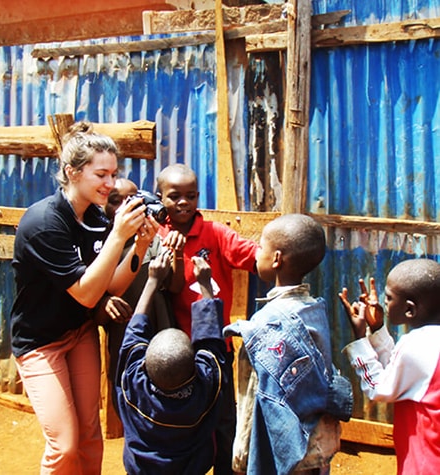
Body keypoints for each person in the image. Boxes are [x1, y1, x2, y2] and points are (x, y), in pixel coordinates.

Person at [10, 121, 159, 475]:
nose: (110, 183)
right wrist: (118, 237)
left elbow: (112, 288)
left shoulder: (94, 217)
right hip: (40, 343)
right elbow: (89, 295)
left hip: (78, 334)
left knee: (91, 433)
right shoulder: (45, 223)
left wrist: (138, 244)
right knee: (64, 444)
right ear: (71, 172)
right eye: (101, 174)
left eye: (114, 174)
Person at [223, 214, 353, 475]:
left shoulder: (266, 324)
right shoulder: (314, 309)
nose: (256, 252)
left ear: (276, 258)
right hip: (317, 445)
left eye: (261, 247)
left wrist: (241, 456)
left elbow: (255, 396)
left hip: (284, 453)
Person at [156, 163, 260, 474]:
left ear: (199, 196)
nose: (183, 202)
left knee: (223, 420)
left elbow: (253, 256)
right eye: (174, 196)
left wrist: (280, 257)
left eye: (190, 195)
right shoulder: (154, 234)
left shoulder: (215, 234)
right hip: (172, 353)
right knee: (179, 421)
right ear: (159, 197)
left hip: (216, 349)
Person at [115, 251, 227, 475]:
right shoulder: (205, 391)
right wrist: (205, 284)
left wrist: (152, 280)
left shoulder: (134, 387)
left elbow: (133, 334)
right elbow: (211, 343)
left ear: (144, 367)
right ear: (195, 368)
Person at [339, 258, 440, 475]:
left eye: (389, 297)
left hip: (423, 465)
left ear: (409, 310)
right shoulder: (429, 343)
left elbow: (380, 388)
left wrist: (359, 338)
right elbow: (401, 375)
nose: (384, 302)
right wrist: (377, 329)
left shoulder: (416, 344)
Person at [101, 177, 185, 418]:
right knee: (128, 396)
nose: (126, 208)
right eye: (116, 201)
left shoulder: (152, 240)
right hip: (124, 335)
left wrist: (177, 255)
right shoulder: (103, 245)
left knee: (165, 397)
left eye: (133, 200)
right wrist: (104, 302)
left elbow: (174, 285)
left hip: (160, 331)